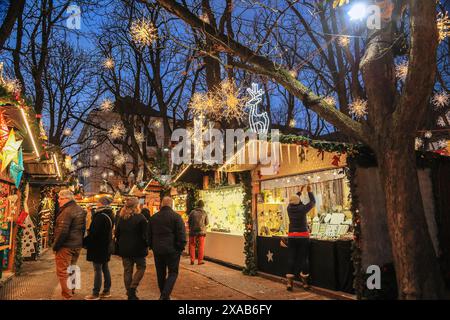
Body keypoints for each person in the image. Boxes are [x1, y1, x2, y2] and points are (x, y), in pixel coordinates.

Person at [148, 196, 186, 300]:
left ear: (162, 204)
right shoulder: (176, 217)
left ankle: (164, 296)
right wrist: (180, 247)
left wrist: (151, 246)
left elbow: (149, 235)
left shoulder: (153, 218)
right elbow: (182, 234)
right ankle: (164, 296)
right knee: (173, 273)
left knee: (160, 273)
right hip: (172, 250)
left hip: (158, 250)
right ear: (171, 204)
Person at [53, 189, 86, 300]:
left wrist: (56, 246)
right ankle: (71, 290)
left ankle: (67, 296)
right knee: (72, 268)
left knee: (63, 271)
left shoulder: (67, 211)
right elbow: (82, 229)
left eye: (61, 198)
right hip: (77, 244)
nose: (58, 201)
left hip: (66, 246)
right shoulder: (80, 209)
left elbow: (62, 231)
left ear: (67, 199)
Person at [115, 197, 148, 300]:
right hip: (138, 249)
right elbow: (145, 235)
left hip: (124, 249)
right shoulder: (141, 218)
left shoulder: (121, 218)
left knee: (127, 271)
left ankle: (129, 293)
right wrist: (147, 244)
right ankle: (132, 289)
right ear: (136, 206)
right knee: (141, 267)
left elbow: (117, 233)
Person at [84, 196, 114, 300]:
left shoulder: (100, 216)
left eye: (98, 202)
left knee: (97, 269)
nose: (96, 203)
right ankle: (106, 291)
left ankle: (95, 293)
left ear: (102, 203)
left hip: (98, 247)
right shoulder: (109, 214)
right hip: (105, 246)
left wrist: (85, 242)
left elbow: (94, 233)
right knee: (105, 268)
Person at [286, 185, 315, 291]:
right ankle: (305, 283)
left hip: (292, 236)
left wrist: (299, 191)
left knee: (291, 258)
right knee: (304, 258)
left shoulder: (289, 208)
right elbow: (313, 202)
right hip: (303, 236)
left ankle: (289, 283)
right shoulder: (302, 209)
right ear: (298, 201)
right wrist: (309, 191)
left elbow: (293, 200)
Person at [188, 200, 209, 265]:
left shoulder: (192, 212)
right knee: (201, 246)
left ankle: (192, 260)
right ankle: (200, 261)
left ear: (196, 205)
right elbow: (207, 222)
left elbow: (189, 221)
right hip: (201, 232)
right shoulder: (204, 213)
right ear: (203, 206)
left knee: (192, 245)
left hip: (193, 231)